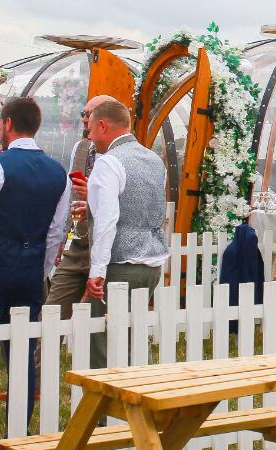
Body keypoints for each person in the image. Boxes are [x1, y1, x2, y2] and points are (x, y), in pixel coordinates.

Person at [0, 96, 70, 399]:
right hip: (30, 272)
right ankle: (20, 419)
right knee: (22, 347)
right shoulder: (59, 173)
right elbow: (56, 232)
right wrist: (42, 269)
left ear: (7, 124)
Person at [83, 98, 168, 366]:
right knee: (133, 341)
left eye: (91, 129)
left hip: (120, 265)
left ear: (103, 125)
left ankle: (106, 407)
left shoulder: (108, 162)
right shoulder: (154, 159)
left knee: (103, 347)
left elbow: (107, 220)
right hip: (152, 263)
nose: (90, 136)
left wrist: (97, 271)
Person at [45, 96, 109, 319]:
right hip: (77, 243)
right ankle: (44, 354)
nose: (83, 119)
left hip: (106, 246)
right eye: (82, 114)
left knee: (101, 320)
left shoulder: (121, 155)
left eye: (88, 114)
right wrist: (66, 240)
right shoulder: (80, 148)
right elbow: (72, 198)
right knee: (53, 312)